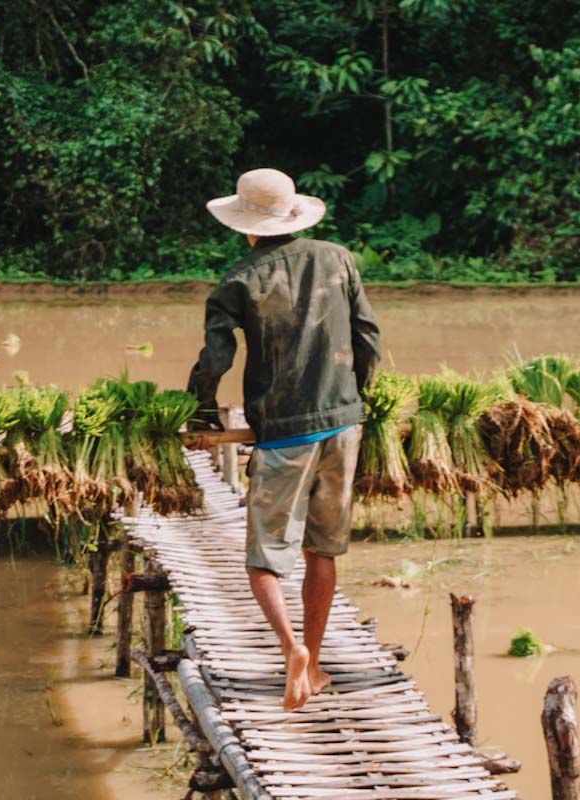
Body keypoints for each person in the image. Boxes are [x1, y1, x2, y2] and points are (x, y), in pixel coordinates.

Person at [186, 167, 381, 712]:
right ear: (293, 216)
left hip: (283, 432)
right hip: (344, 424)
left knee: (264, 557)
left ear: (246, 227)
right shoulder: (336, 257)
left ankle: (291, 646)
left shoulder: (238, 281)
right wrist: (357, 397)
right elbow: (367, 335)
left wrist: (202, 413)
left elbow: (215, 360)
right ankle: (313, 663)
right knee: (323, 548)